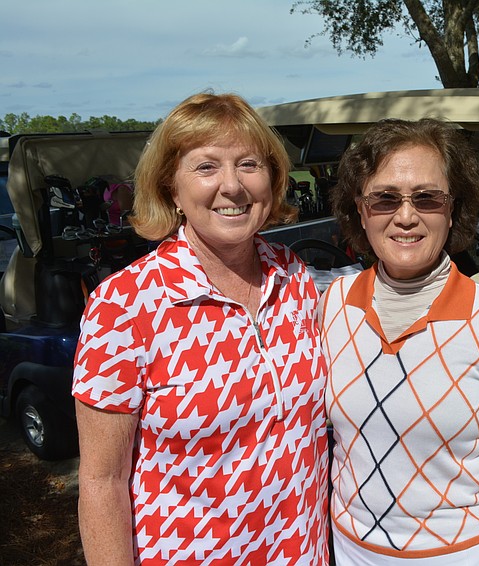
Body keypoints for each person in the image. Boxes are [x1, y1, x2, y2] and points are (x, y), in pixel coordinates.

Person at [73, 92, 329, 565]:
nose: (232, 186)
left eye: (249, 164)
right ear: (171, 187)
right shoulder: (125, 305)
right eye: (206, 167)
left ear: (273, 178)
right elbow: (101, 482)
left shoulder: (293, 277)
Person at [321, 118, 479, 566]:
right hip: (351, 551)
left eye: (427, 197)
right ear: (360, 211)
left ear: (452, 209)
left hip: (457, 555)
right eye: (384, 198)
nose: (405, 215)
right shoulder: (333, 305)